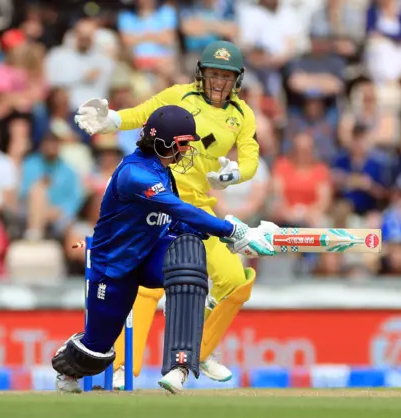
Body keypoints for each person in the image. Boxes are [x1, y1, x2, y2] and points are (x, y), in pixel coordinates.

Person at [52, 105, 276, 395]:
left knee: (189, 257)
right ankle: (67, 367)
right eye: (183, 144)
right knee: (97, 351)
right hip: (115, 266)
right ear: (162, 142)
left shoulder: (162, 169)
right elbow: (179, 209)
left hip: (149, 255)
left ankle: (179, 364)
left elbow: (175, 222)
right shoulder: (135, 174)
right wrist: (232, 229)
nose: (187, 151)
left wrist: (230, 237)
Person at [74, 40, 259, 387]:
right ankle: (121, 369)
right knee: (147, 286)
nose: (219, 83)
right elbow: (143, 114)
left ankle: (201, 352)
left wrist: (236, 173)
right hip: (158, 203)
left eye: (226, 77)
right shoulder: (179, 95)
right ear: (202, 74)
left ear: (237, 80)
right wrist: (112, 120)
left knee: (236, 281)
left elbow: (250, 156)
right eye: (214, 75)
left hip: (197, 208)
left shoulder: (242, 114)